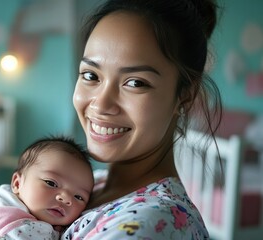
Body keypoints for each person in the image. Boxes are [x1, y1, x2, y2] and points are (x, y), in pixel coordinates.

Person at [61, 0, 222, 239]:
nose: (101, 104)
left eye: (135, 83)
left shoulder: (150, 222)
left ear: (186, 95)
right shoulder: (91, 184)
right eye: (90, 75)